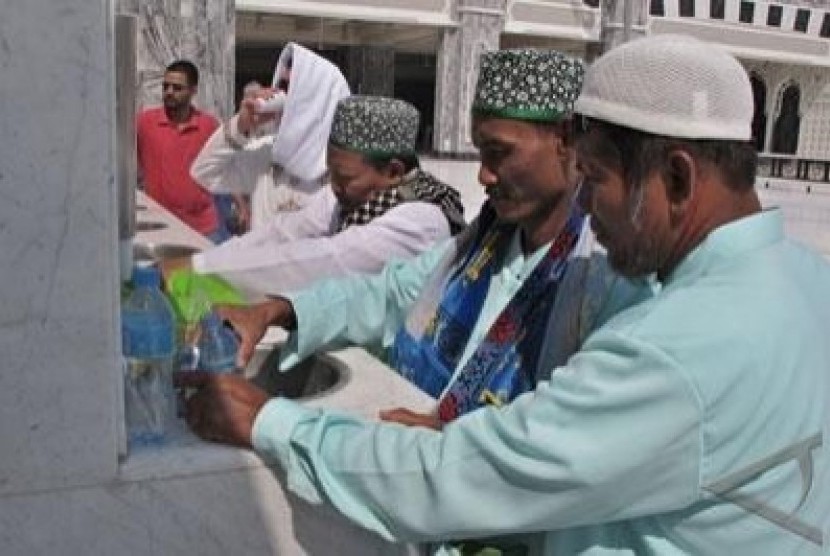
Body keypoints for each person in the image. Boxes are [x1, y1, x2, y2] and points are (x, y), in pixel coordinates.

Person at [179, 36, 829, 554]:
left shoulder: (660, 326)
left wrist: (270, 423)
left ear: (677, 177)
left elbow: (473, 476)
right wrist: (282, 308)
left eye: (595, 178)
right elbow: (397, 290)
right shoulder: (806, 281)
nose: (586, 197)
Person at [163, 95, 466, 299]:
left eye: (345, 178)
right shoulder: (352, 197)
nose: (333, 186)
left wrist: (200, 271)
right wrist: (200, 262)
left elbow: (320, 261)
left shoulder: (420, 221)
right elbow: (282, 233)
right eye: (331, 174)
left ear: (393, 171)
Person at [192, 42, 350, 230]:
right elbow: (204, 173)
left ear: (316, 98)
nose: (281, 96)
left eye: (291, 88)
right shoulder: (266, 153)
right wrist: (240, 126)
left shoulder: (343, 170)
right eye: (281, 85)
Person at [136, 59, 227, 242]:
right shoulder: (144, 123)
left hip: (203, 228)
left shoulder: (208, 126)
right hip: (161, 228)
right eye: (166, 86)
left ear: (193, 91)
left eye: (177, 88)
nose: (169, 92)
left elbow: (225, 166)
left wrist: (241, 207)